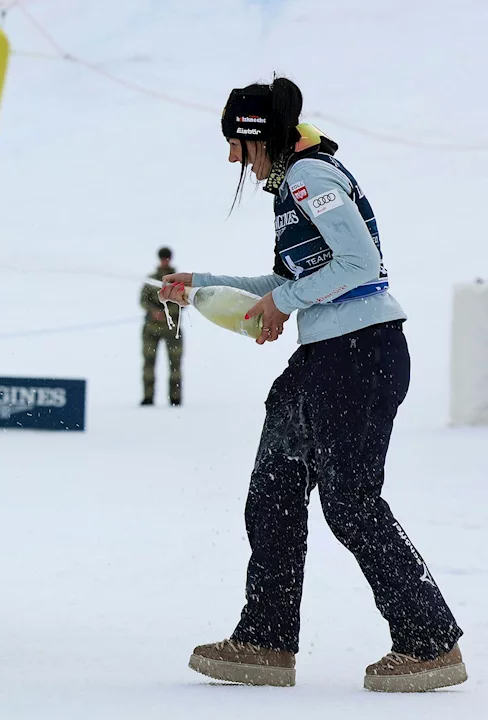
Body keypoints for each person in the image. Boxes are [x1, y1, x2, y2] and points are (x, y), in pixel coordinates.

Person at [161, 77, 465, 692]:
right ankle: (266, 640)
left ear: (257, 138)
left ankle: (430, 642)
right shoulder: (293, 187)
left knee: (350, 503)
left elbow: (357, 265)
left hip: (359, 355)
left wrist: (283, 303)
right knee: (274, 488)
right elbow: (286, 280)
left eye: (234, 145)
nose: (231, 160)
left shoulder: (312, 180)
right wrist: (200, 284)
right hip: (325, 357)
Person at [140, 246, 182, 406]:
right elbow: (143, 300)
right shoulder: (151, 279)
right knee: (149, 364)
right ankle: (148, 396)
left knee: (175, 365)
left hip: (172, 329)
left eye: (167, 258)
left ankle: (175, 397)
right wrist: (153, 311)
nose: (165, 261)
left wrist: (167, 312)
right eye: (163, 258)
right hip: (151, 329)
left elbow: (183, 301)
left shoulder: (177, 280)